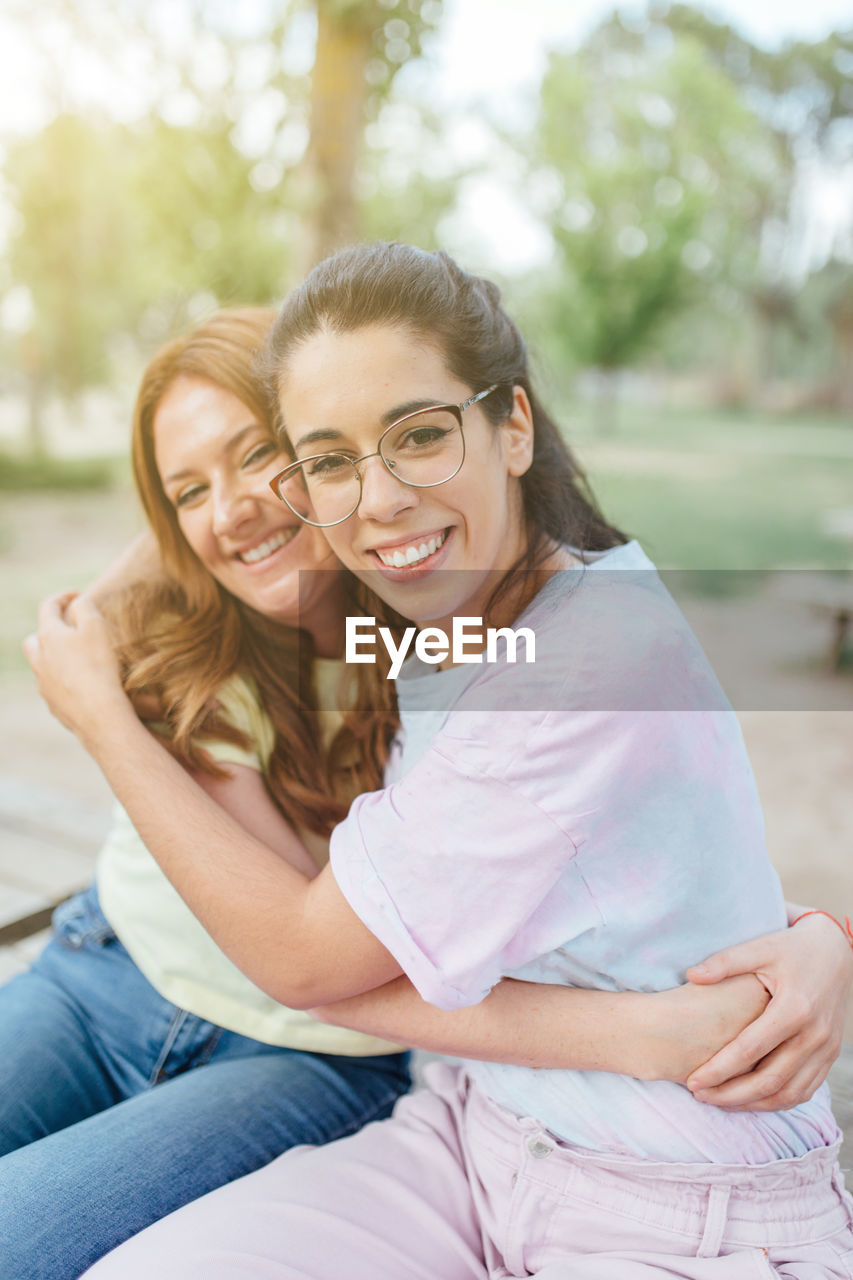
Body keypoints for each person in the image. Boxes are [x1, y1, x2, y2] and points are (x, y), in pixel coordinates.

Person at [26, 246, 853, 1277]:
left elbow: (314, 952)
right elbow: (648, 836)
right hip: (369, 1077)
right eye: (329, 458)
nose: (375, 498)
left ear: (513, 427)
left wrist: (817, 939)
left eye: (417, 437)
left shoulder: (463, 620)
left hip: (543, 1138)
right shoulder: (397, 607)